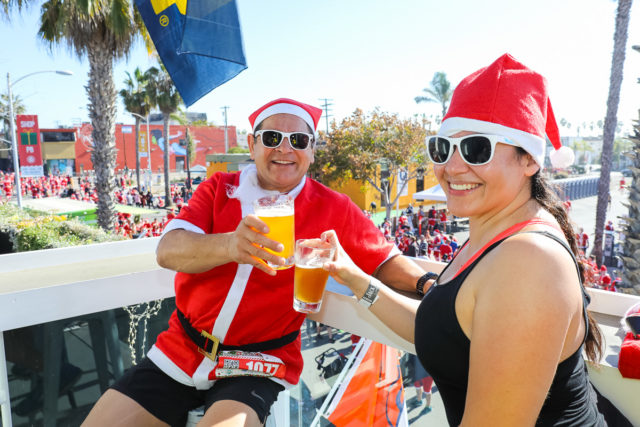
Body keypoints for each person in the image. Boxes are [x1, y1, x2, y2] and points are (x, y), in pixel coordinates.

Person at [83, 98, 424, 427]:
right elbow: (168, 250)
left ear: (312, 149)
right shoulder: (219, 188)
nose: (285, 149)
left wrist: (429, 285)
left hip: (258, 362)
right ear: (252, 144)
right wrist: (231, 244)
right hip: (181, 347)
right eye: (272, 138)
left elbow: (386, 260)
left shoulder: (334, 206)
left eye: (299, 140)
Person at [323, 54, 605, 426]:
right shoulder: (492, 231)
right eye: (443, 147)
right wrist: (355, 279)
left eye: (476, 148)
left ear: (529, 161)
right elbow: (444, 328)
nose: (452, 167)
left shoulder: (528, 263)